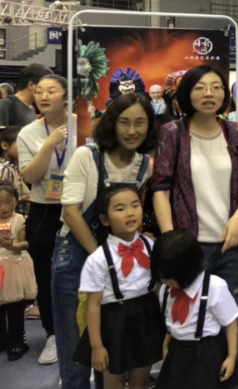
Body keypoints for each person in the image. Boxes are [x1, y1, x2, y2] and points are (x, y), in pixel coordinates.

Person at [53, 93, 157, 389]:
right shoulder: (88, 156)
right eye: (124, 122)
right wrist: (104, 259)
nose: (132, 130)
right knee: (76, 345)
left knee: (109, 342)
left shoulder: (144, 165)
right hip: (77, 253)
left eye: (140, 123)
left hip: (114, 257)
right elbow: (71, 212)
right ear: (111, 123)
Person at [152, 65, 238, 318]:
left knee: (233, 320)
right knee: (189, 320)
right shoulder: (173, 133)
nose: (209, 93)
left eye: (216, 87)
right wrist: (171, 240)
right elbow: (160, 188)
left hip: (232, 245)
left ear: (224, 94)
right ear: (187, 93)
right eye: (200, 88)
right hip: (189, 245)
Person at [74, 185, 164, 389]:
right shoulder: (98, 259)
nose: (130, 213)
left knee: (140, 381)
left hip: (146, 317)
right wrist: (97, 346)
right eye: (120, 208)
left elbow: (159, 286)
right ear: (105, 219)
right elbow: (93, 305)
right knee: (114, 382)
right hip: (113, 323)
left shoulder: (151, 246)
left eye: (135, 205)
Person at [17, 73, 73, 365]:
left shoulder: (83, 124)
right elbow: (29, 176)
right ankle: (53, 334)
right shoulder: (28, 133)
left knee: (82, 270)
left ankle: (83, 330)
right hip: (44, 211)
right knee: (46, 275)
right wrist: (49, 144)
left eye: (52, 90)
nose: (44, 96)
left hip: (78, 207)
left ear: (66, 96)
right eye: (39, 91)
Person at [152, 230, 238, 389]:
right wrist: (166, 344)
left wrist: (232, 356)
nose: (164, 281)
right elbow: (171, 321)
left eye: (168, 277)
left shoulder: (214, 286)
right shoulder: (166, 290)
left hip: (206, 353)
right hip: (178, 351)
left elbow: (231, 321)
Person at [0, 183, 37, 361]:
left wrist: (13, 246)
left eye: (8, 202)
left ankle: (17, 341)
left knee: (15, 307)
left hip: (14, 266)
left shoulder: (19, 220)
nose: (3, 207)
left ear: (16, 200)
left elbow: (25, 243)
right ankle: (2, 339)